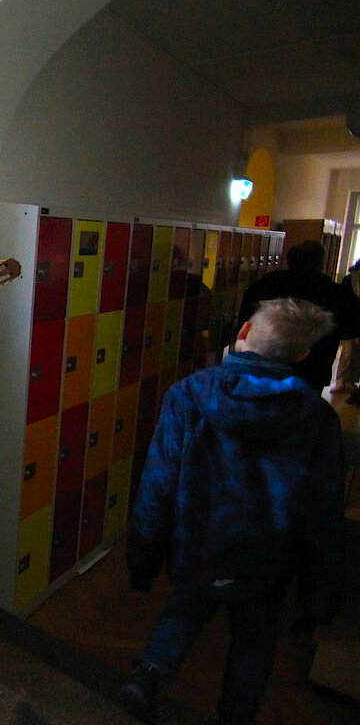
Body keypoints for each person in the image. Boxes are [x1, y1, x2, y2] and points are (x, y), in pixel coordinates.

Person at [119, 297, 346, 725]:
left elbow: (158, 483)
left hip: (201, 541)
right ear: (303, 354)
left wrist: (143, 556)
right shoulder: (316, 417)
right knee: (256, 638)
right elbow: (323, 512)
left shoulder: (189, 394)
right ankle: (237, 714)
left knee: (186, 606)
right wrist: (320, 596)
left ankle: (148, 675)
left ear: (242, 333)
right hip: (268, 555)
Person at [236, 239, 360, 394]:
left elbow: (245, 318)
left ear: (289, 260)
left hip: (264, 360)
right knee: (305, 405)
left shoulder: (267, 283)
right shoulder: (332, 290)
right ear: (319, 262)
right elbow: (350, 327)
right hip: (314, 365)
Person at [332, 259, 360, 397]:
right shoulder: (349, 282)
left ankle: (350, 380)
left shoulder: (350, 281)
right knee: (348, 352)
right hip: (348, 323)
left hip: (355, 323)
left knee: (355, 354)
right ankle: (341, 381)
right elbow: (345, 306)